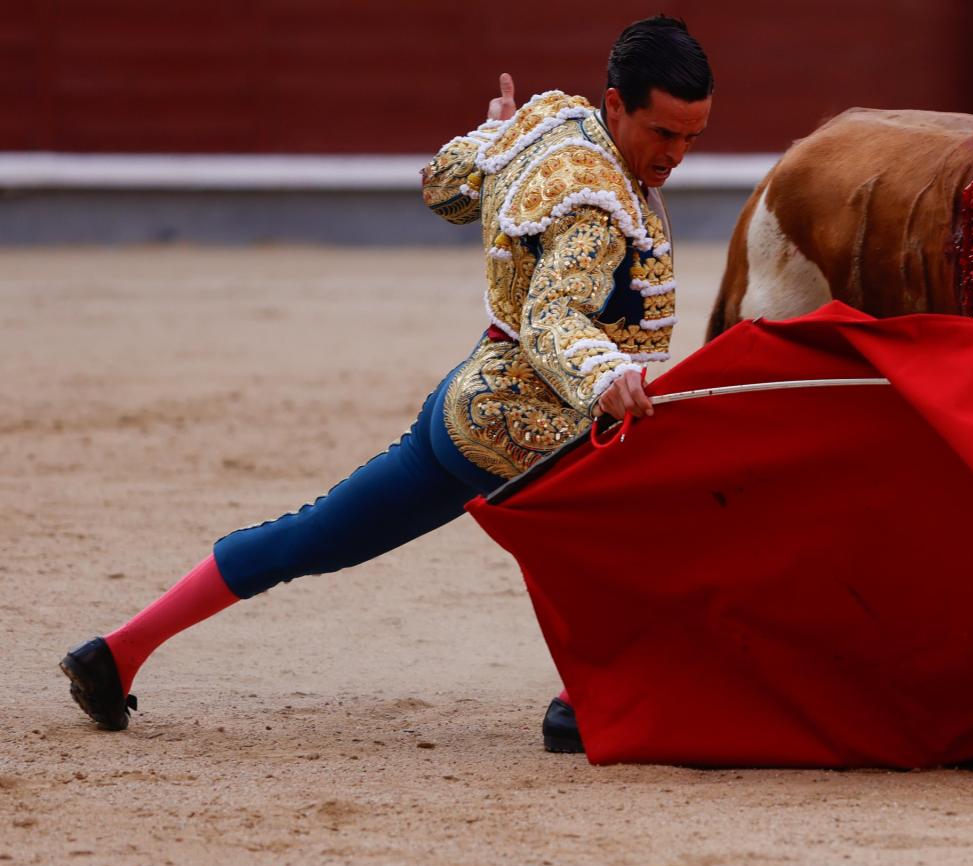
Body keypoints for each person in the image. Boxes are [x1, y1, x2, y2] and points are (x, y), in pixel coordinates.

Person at [60, 15, 714, 754]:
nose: (676, 155)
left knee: (314, 535)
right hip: (531, 418)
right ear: (617, 105)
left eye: (692, 137)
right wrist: (607, 375)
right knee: (653, 526)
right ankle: (579, 704)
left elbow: (446, 189)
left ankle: (118, 652)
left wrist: (492, 139)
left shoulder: (549, 123)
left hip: (471, 404)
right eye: (664, 133)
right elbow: (553, 314)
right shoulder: (597, 203)